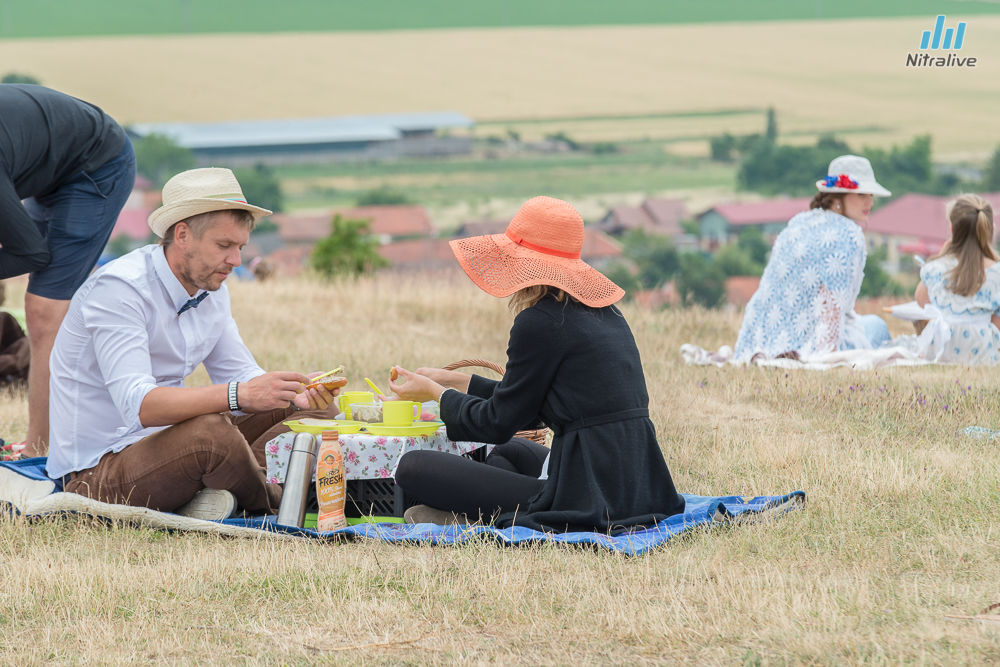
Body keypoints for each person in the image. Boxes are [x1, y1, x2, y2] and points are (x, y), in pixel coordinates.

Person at [46, 168, 340, 520]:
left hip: (166, 443)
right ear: (182, 235)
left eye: (240, 247)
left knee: (315, 412)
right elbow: (139, 405)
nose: (236, 261)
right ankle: (281, 500)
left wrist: (292, 395)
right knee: (209, 434)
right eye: (224, 245)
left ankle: (225, 489)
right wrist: (240, 394)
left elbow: (242, 374)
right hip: (96, 471)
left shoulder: (211, 287)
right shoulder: (119, 290)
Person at [384, 196, 685, 533]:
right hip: (638, 483)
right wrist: (458, 382)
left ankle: (486, 516)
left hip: (591, 493)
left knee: (411, 467)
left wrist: (436, 393)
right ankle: (481, 512)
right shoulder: (605, 314)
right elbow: (528, 408)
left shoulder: (539, 322)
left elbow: (496, 423)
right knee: (507, 453)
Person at [0, 84, 137, 457]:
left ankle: (42, 452)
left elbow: (31, 253)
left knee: (44, 310)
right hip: (49, 165)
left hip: (96, 164)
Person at [733, 155, 892, 361]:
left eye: (870, 194)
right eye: (861, 194)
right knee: (877, 326)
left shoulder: (799, 222)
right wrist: (826, 356)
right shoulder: (849, 233)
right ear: (837, 197)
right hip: (814, 342)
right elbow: (830, 303)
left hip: (763, 338)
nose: (869, 202)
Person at [910, 194, 1000, 365]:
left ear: (952, 230)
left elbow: (921, 300)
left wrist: (941, 255)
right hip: (982, 353)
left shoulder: (937, 267)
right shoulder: (997, 272)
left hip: (943, 348)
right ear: (988, 231)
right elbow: (997, 323)